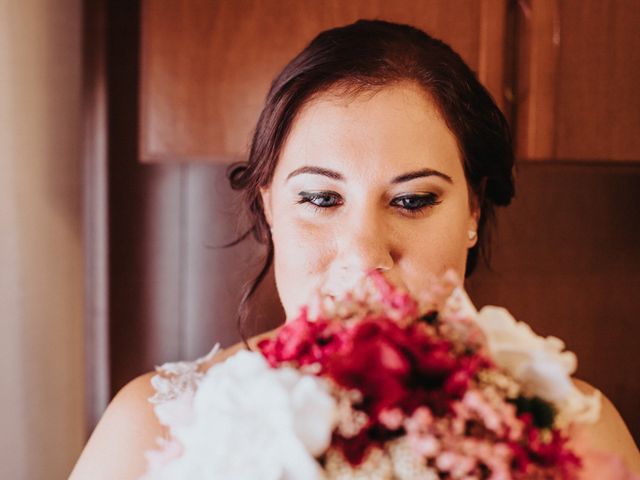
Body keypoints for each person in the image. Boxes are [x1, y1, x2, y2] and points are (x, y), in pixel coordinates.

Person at [70, 20, 639, 479]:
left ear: (472, 212)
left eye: (413, 201)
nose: (366, 255)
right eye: (320, 198)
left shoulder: (577, 434)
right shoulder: (151, 428)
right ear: (269, 208)